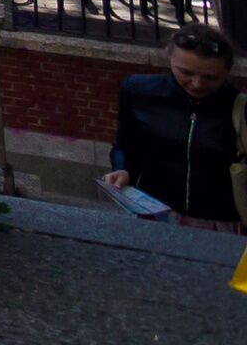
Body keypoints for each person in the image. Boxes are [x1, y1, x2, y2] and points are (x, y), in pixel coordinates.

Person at [104, 26, 243, 225]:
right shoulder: (138, 91)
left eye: (210, 78)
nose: (197, 84)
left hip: (223, 221)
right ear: (170, 60)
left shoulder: (240, 108)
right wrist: (123, 169)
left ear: (227, 71)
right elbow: (126, 144)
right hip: (155, 213)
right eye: (186, 72)